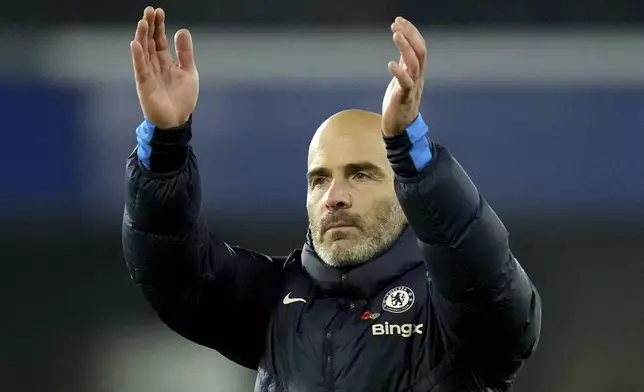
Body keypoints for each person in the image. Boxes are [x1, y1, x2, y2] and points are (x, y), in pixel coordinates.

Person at [123, 6, 542, 391]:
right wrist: (165, 145)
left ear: (403, 190)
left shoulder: (446, 308)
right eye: (319, 180)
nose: (335, 197)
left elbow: (495, 292)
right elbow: (171, 270)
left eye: (361, 174)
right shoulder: (274, 302)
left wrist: (410, 151)